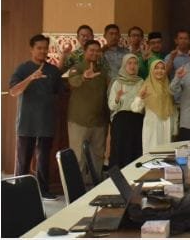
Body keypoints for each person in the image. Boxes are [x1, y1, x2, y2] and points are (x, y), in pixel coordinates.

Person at [9, 34, 63, 200]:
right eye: (39, 48)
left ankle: (43, 190)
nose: (43, 51)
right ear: (31, 49)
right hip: (27, 123)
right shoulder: (23, 69)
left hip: (46, 122)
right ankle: (20, 192)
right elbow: (13, 91)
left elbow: (59, 93)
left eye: (45, 48)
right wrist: (31, 78)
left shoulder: (53, 71)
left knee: (43, 160)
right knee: (23, 161)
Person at [67, 39, 109, 184]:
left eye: (97, 51)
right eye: (91, 50)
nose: (95, 53)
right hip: (79, 120)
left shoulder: (103, 71)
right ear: (85, 51)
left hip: (99, 122)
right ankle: (76, 190)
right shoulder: (77, 68)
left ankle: (95, 188)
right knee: (78, 157)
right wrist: (84, 77)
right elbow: (73, 82)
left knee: (98, 157)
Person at [107, 53, 144, 168]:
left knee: (135, 151)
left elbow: (143, 104)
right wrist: (117, 98)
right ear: (124, 65)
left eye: (135, 63)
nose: (133, 66)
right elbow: (111, 106)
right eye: (129, 63)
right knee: (119, 152)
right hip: (121, 122)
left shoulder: (141, 82)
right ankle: (118, 178)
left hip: (137, 121)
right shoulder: (117, 82)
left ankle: (134, 177)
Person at [132, 60, 173, 153]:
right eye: (156, 68)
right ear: (151, 70)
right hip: (152, 124)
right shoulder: (147, 85)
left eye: (162, 68)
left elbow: (170, 108)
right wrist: (140, 97)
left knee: (165, 152)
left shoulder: (167, 85)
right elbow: (135, 108)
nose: (160, 71)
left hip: (166, 124)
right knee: (152, 152)